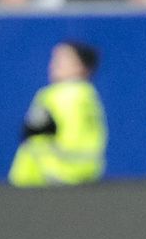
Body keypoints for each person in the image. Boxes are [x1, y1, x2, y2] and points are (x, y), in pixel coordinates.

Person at [8, 41, 107, 187]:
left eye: (63, 60)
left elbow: (32, 134)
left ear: (81, 66)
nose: (53, 65)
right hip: (88, 176)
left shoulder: (55, 96)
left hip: (49, 179)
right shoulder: (90, 97)